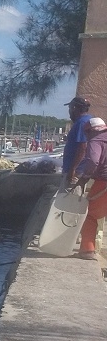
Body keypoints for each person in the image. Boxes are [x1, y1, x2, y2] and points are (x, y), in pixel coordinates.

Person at [67, 115, 107, 259]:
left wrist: (84, 177)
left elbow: (93, 161)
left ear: (90, 131)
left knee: (90, 214)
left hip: (103, 182)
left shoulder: (96, 140)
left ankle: (87, 250)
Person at [61, 95, 92, 178]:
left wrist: (72, 169)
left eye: (70, 108)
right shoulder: (88, 119)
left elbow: (83, 147)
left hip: (76, 172)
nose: (69, 111)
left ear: (74, 108)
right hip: (81, 169)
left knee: (69, 191)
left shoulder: (81, 123)